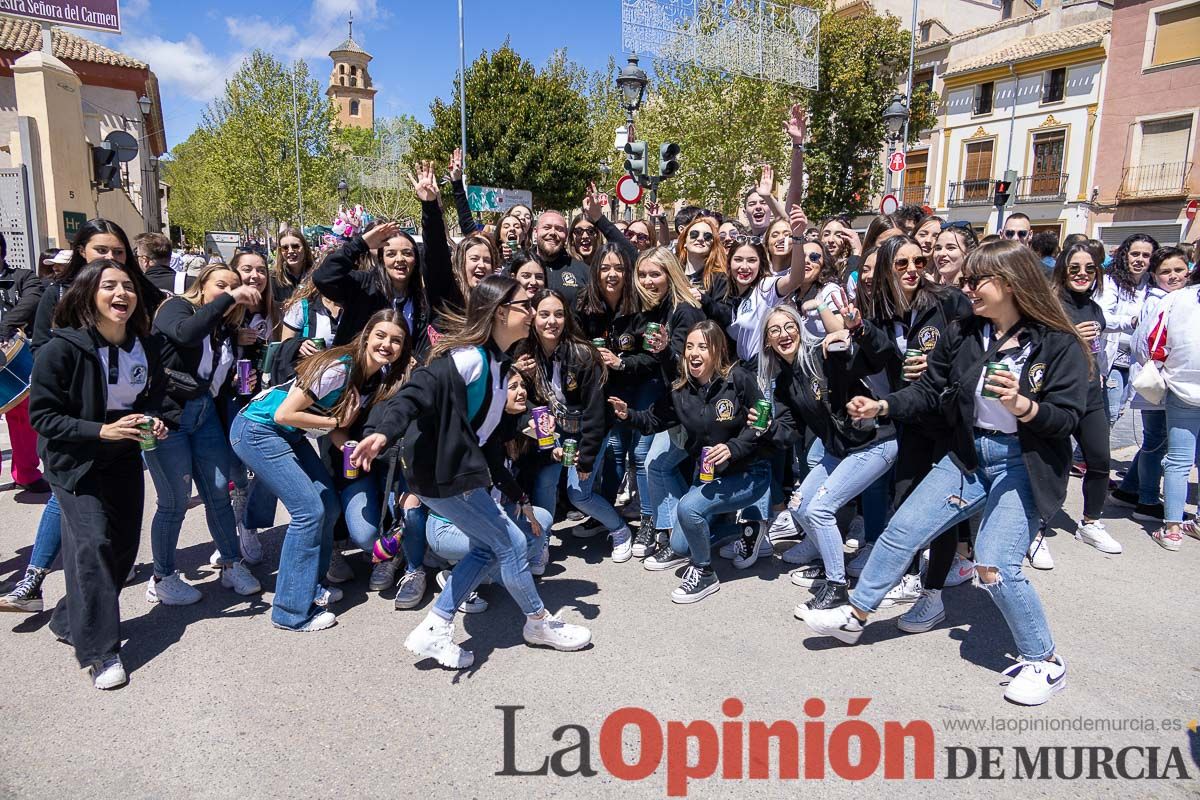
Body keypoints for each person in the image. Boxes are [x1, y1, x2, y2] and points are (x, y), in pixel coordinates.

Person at [803, 240, 1089, 707]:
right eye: (969, 279)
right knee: (903, 529)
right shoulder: (967, 333)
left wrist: (1024, 406)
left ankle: (1045, 660)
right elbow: (932, 390)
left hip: (1024, 460)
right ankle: (855, 616)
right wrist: (883, 404)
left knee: (994, 564)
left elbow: (1066, 419)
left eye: (980, 280)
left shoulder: (1058, 344)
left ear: (1012, 283)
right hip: (969, 455)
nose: (968, 287)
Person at [352, 276, 592, 669]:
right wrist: (382, 432)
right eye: (524, 306)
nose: (531, 313)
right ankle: (538, 621)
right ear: (500, 312)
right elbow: (416, 392)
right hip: (444, 477)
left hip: (458, 474)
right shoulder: (469, 359)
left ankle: (436, 625)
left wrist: (519, 498)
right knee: (512, 544)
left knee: (487, 547)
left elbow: (489, 446)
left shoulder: (500, 366)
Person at [27, 258, 167, 688]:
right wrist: (100, 430)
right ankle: (101, 651)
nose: (120, 294)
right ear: (88, 294)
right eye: (109, 286)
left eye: (127, 286)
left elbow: (156, 395)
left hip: (122, 456)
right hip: (75, 460)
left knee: (122, 549)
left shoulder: (145, 344)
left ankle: (70, 617)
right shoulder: (61, 349)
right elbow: (43, 416)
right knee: (93, 545)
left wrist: (156, 419)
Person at [230, 310, 410, 631]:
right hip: (257, 430)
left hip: (285, 433)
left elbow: (334, 429)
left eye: (396, 340)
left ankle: (309, 587)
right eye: (381, 335)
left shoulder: (369, 378)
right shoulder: (340, 367)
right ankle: (290, 612)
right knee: (309, 511)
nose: (387, 344)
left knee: (327, 503)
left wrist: (351, 449)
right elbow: (286, 413)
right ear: (366, 335)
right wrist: (336, 424)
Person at [848, 235, 976, 619]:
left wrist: (940, 367)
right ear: (887, 269)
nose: (912, 270)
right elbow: (878, 357)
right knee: (904, 502)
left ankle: (932, 595)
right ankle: (908, 577)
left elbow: (973, 355)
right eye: (901, 264)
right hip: (912, 420)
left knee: (942, 511)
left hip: (949, 423)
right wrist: (858, 329)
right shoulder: (882, 311)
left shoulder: (947, 301)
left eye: (918, 261)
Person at [609, 321, 773, 603]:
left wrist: (734, 447)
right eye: (689, 347)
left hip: (750, 473)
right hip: (711, 476)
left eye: (703, 347)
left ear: (718, 350)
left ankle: (705, 573)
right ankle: (748, 529)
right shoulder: (681, 390)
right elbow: (654, 420)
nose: (694, 353)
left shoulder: (739, 379)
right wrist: (628, 416)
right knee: (680, 543)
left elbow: (762, 422)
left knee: (688, 507)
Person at [143, 264, 263, 605]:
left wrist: (236, 383)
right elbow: (184, 334)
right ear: (202, 285)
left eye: (233, 286)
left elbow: (209, 375)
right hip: (168, 418)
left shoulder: (223, 327)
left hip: (204, 415)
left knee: (217, 493)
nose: (228, 291)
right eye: (220, 285)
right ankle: (162, 577)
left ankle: (230, 563)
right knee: (174, 503)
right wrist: (230, 297)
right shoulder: (175, 308)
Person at [513, 289, 632, 562]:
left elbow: (595, 411)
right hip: (555, 430)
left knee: (579, 494)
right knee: (545, 480)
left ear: (567, 318)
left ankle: (620, 529)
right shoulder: (526, 353)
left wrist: (587, 459)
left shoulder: (583, 354)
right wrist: (522, 375)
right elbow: (525, 402)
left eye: (558, 314)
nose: (551, 321)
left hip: (589, 429)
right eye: (544, 314)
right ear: (533, 318)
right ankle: (540, 542)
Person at [1049, 241, 1120, 556]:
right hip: (1059, 393)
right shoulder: (1049, 303)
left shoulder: (1094, 307)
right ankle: (1037, 525)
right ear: (1063, 269)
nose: (1082, 274)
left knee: (1100, 459)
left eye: (1090, 268)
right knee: (1055, 465)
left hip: (1091, 392)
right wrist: (1072, 334)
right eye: (1075, 267)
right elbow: (1039, 345)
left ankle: (1091, 522)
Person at [1112, 247, 1193, 520]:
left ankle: (1129, 489)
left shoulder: (1180, 298)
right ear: (1154, 275)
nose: (1173, 277)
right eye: (1165, 272)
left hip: (1169, 382)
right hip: (1160, 382)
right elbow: (1140, 343)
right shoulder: (1159, 300)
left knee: (1157, 440)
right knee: (1157, 441)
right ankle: (1147, 500)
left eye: (1178, 270)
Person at [1132, 253, 1200, 551]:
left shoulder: (1176, 300)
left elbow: (1149, 341)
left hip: (1182, 387)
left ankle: (1172, 529)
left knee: (1179, 459)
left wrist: (1161, 367)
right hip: (1183, 385)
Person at [313, 217, 427, 348]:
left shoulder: (422, 300)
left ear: (416, 259)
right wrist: (361, 244)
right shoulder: (364, 285)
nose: (400, 259)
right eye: (391, 254)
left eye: (407, 253)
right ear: (381, 260)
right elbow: (323, 278)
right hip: (355, 365)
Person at [0, 231, 49, 494]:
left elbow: (32, 300)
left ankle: (26, 474)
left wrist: (5, 327)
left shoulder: (23, 277)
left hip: (17, 357)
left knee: (23, 421)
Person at [1099, 234, 1158, 428]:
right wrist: (1132, 321)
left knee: (1121, 409)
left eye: (1146, 255)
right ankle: (1084, 457)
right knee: (1110, 412)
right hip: (1112, 358)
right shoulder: (1111, 281)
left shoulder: (1153, 285)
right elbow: (1102, 318)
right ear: (1125, 255)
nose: (1140, 259)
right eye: (1135, 254)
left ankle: (1087, 455)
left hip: (1138, 360)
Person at [530, 211, 590, 304]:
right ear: (535, 232)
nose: (553, 232)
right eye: (547, 227)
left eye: (559, 229)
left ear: (566, 235)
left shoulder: (583, 271)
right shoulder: (520, 266)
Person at [273, 227, 315, 303]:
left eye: (295, 246)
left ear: (305, 248)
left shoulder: (317, 274)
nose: (290, 251)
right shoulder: (273, 279)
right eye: (285, 247)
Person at [932, 222, 978, 287]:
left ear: (969, 253)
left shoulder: (974, 292)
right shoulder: (934, 290)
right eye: (938, 248)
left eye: (951, 248)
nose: (941, 253)